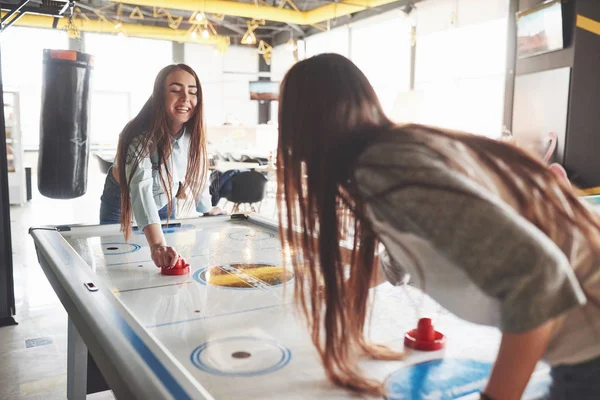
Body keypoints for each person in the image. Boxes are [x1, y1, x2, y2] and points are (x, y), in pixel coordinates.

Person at [276, 53, 600, 399]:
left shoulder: (384, 168)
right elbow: (414, 246)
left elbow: (539, 276)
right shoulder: (399, 148)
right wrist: (343, 286)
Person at [100, 64, 221, 269]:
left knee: (167, 262)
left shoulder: (194, 136)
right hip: (122, 203)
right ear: (159, 96)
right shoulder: (137, 135)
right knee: (119, 267)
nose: (185, 98)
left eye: (192, 92)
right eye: (175, 90)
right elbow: (141, 188)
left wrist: (207, 210)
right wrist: (156, 245)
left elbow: (197, 175)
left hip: (165, 200)